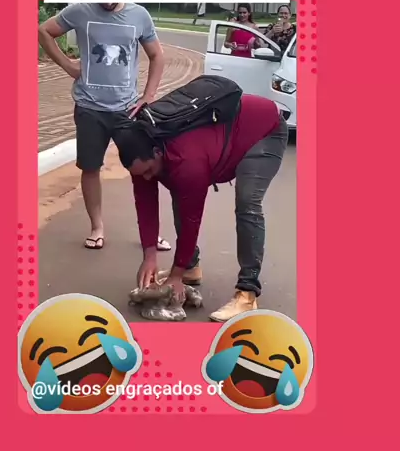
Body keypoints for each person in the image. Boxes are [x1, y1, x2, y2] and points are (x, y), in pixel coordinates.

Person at [115, 93, 288, 321]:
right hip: (224, 135)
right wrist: (149, 255)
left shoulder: (186, 159)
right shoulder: (140, 156)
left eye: (148, 171)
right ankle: (190, 267)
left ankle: (247, 294)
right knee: (178, 187)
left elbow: (191, 217)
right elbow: (145, 205)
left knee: (248, 203)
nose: (146, 177)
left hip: (264, 129)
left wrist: (175, 275)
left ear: (157, 152)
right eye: (140, 174)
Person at [38, 3, 169, 251]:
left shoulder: (139, 15)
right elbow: (44, 31)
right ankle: (96, 227)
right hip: (89, 108)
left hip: (127, 109)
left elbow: (157, 55)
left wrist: (148, 96)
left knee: (143, 170)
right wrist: (68, 65)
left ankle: (151, 233)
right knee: (90, 168)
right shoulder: (79, 11)